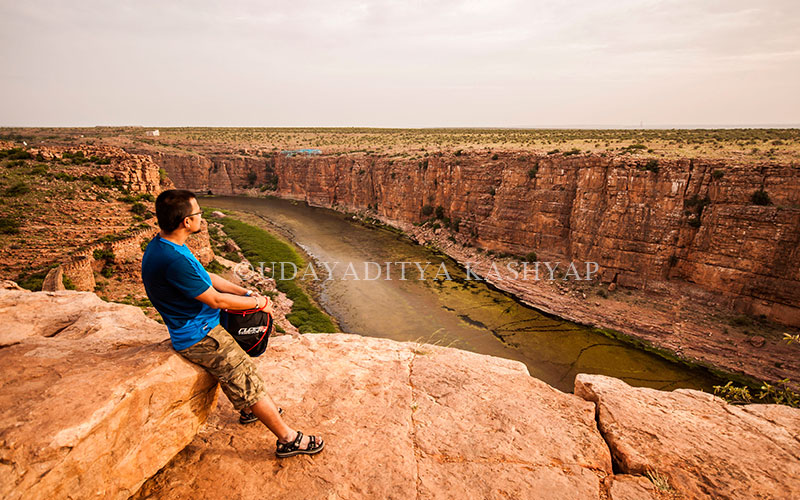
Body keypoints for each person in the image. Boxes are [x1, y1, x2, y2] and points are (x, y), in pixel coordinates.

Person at [141, 189, 323, 458]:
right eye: (199, 212)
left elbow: (205, 276)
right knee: (245, 374)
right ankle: (288, 439)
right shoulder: (174, 259)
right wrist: (259, 304)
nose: (202, 216)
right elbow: (215, 300)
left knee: (242, 360)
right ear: (186, 222)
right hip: (198, 334)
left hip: (198, 324)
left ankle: (250, 409)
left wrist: (246, 293)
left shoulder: (166, 245)